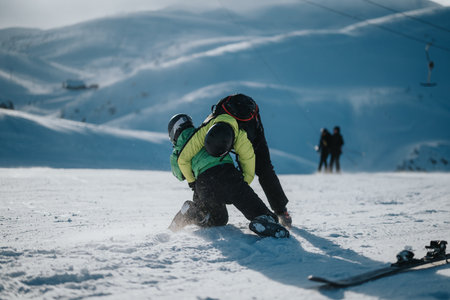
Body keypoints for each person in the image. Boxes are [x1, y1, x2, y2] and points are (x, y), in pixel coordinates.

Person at [168, 114, 290, 238]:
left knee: (217, 218)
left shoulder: (178, 149)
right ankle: (263, 219)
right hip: (227, 173)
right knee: (249, 202)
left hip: (203, 182)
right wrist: (244, 181)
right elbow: (247, 156)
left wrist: (192, 181)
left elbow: (179, 174)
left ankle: (193, 212)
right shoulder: (206, 130)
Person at [204, 94, 292, 227]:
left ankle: (204, 207)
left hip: (243, 132)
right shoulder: (246, 118)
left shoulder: (213, 122)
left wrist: (238, 185)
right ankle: (281, 211)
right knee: (265, 168)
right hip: (251, 130)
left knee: (209, 164)